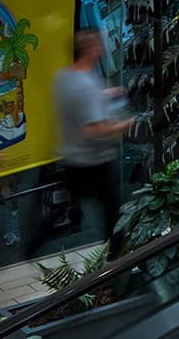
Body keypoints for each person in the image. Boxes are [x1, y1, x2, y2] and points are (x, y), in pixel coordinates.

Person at [52, 27, 132, 247]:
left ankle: (34, 246)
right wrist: (123, 125)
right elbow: (94, 130)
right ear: (93, 50)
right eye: (99, 44)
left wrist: (104, 94)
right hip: (95, 161)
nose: (102, 48)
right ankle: (117, 259)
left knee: (78, 204)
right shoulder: (87, 85)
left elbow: (77, 101)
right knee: (112, 213)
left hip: (71, 159)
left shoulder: (64, 77)